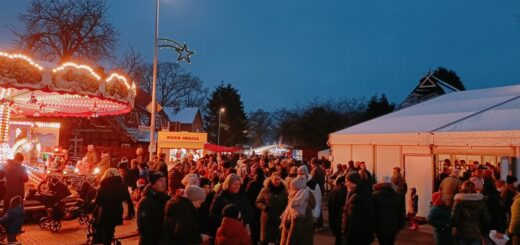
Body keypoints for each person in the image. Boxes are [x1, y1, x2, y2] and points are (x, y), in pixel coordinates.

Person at [92, 168, 134, 245]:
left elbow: (98, 200)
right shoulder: (121, 184)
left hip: (106, 212)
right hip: (117, 211)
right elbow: (125, 197)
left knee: (106, 232)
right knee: (110, 229)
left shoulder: (104, 185)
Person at [209, 174, 251, 238]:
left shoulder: (243, 198)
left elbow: (250, 213)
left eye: (239, 184)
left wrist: (241, 217)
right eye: (235, 184)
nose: (237, 186)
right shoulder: (220, 198)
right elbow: (212, 214)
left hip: (239, 232)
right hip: (225, 233)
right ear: (228, 184)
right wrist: (226, 219)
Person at [451, 181, 490, 245]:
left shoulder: (458, 201)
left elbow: (454, 220)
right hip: (476, 232)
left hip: (461, 232)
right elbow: (486, 219)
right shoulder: (480, 202)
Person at [280, 177, 315, 245]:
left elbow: (294, 229)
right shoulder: (306, 195)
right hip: (305, 230)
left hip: (297, 233)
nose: (290, 189)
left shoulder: (296, 200)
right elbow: (314, 205)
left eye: (292, 187)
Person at [137, 171, 169, 245]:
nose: (164, 184)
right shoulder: (146, 201)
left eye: (165, 181)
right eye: (160, 181)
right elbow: (143, 226)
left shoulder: (166, 198)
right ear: (153, 183)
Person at [256, 172, 288, 245]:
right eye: (275, 179)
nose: (277, 181)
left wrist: (285, 211)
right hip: (267, 218)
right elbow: (258, 202)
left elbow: (287, 203)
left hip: (279, 218)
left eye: (278, 179)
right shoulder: (265, 190)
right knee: (265, 240)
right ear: (271, 179)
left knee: (279, 239)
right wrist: (264, 207)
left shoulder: (284, 191)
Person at [342, 172, 374, 245]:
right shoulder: (366, 192)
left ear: (352, 182)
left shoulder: (355, 197)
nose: (345, 184)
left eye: (347, 182)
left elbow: (352, 221)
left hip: (356, 237)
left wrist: (347, 236)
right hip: (366, 234)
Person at [373, 175, 405, 245]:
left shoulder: (375, 196)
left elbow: (373, 212)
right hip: (393, 225)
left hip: (380, 226)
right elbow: (402, 212)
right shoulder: (398, 196)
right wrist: (401, 225)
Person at [246, 168, 265, 245]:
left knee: (254, 228)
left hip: (253, 208)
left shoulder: (252, 183)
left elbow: (247, 195)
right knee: (261, 227)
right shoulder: (265, 183)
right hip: (262, 208)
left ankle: (254, 241)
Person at [327, 176, 347, 245]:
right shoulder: (351, 192)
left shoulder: (334, 192)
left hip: (338, 220)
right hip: (346, 223)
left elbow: (331, 208)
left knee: (339, 239)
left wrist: (331, 224)